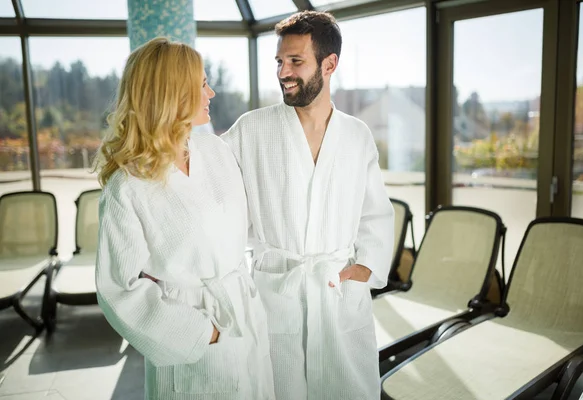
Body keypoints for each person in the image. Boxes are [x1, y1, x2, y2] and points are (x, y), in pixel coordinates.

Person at [222, 11, 394, 400]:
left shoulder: (356, 135)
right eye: (279, 62)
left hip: (337, 292)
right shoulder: (252, 129)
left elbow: (376, 212)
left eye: (296, 61)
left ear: (329, 64)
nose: (284, 72)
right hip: (276, 292)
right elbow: (211, 188)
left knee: (346, 388)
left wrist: (365, 267)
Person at [94, 37, 275, 400]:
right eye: (202, 84)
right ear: (172, 94)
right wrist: (202, 333)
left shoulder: (215, 150)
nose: (211, 91)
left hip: (242, 310)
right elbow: (118, 289)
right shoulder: (127, 186)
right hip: (191, 329)